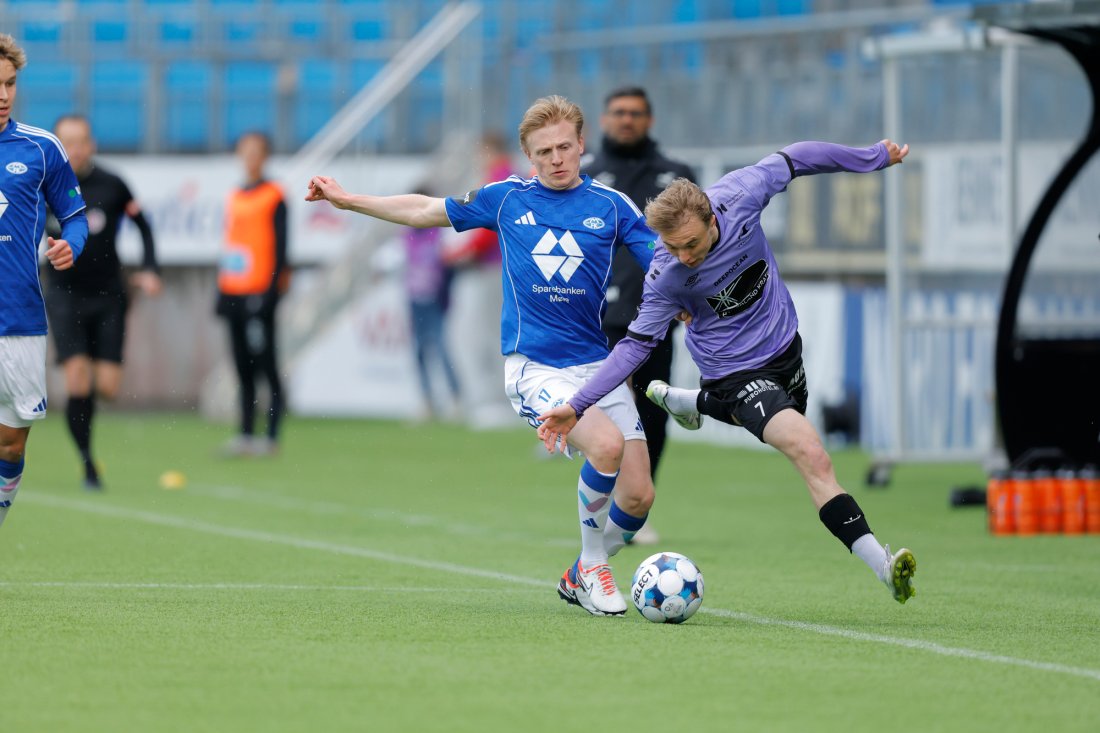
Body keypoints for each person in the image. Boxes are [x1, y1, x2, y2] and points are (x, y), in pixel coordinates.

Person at [306, 95, 657, 616]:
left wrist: (692, 301)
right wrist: (350, 200)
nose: (557, 158)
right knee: (604, 447)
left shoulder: (612, 206)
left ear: (582, 144)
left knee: (638, 498)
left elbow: (665, 263)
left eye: (565, 147)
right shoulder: (506, 198)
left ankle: (581, 571)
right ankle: (594, 568)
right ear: (528, 156)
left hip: (596, 366)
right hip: (534, 366)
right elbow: (427, 210)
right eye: (544, 152)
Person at [537, 139, 919, 604]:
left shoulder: (741, 194)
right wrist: (577, 405)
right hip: (732, 372)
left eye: (692, 244)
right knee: (810, 453)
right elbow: (633, 348)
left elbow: (798, 156)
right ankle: (882, 565)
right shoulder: (666, 275)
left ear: (714, 218)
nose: (685, 256)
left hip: (785, 353)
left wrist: (875, 158)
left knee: (796, 437)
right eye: (673, 248)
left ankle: (691, 402)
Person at [581, 86, 698, 545]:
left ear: (649, 120)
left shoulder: (676, 176)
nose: (626, 120)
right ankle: (606, 504)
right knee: (606, 416)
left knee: (653, 413)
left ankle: (639, 506)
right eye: (618, 113)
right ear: (604, 119)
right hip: (595, 315)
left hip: (654, 317)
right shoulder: (585, 175)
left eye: (635, 113)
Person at [0, 33, 88, 531]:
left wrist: (69, 245)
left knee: (11, 443)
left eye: (10, 83)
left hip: (20, 321)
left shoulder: (41, 148)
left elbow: (75, 216)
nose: (3, 95)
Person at [46, 115, 161, 489]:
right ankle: (88, 465)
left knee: (107, 387)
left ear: (91, 145)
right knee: (78, 381)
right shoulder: (42, 184)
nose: (74, 150)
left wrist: (149, 268)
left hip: (110, 295)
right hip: (64, 295)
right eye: (67, 142)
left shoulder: (113, 184)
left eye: (81, 142)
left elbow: (143, 224)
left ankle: (86, 408)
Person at [216, 131, 288, 457]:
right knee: (241, 365)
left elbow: (281, 248)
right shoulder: (234, 196)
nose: (250, 158)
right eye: (245, 152)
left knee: (266, 364)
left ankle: (271, 435)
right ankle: (245, 433)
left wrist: (271, 291)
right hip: (233, 291)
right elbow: (232, 245)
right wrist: (222, 289)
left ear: (266, 156)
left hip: (260, 292)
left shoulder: (274, 196)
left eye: (256, 152)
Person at [402, 189, 461, 420]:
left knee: (440, 348)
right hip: (415, 298)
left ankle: (455, 398)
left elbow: (449, 264)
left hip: (435, 298)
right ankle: (427, 400)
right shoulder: (407, 234)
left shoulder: (439, 233)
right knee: (419, 351)